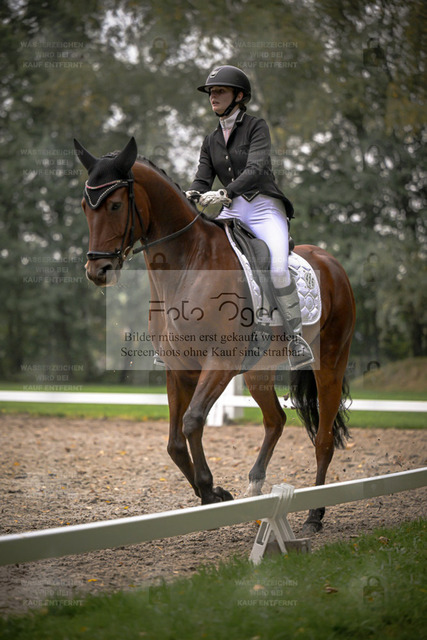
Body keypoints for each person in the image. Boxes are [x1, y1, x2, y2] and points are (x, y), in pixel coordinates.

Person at [186, 65, 313, 369]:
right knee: (201, 262)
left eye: (220, 91)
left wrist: (224, 192)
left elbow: (255, 169)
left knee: (278, 269)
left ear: (239, 96)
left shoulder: (257, 127)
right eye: (211, 92)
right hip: (232, 209)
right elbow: (202, 179)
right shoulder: (210, 140)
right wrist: (192, 193)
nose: (213, 96)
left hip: (264, 207)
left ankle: (296, 338)